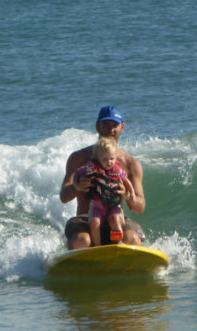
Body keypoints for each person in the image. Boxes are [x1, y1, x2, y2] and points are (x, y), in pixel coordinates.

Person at [60, 105, 146, 249]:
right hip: (86, 219)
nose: (111, 130)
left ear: (122, 128)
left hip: (115, 218)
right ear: (97, 126)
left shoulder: (131, 164)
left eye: (115, 125)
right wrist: (77, 186)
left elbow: (140, 208)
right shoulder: (79, 158)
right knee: (83, 241)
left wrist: (128, 195)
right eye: (106, 124)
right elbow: (64, 197)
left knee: (132, 239)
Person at [76, 135, 136, 246]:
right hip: (97, 206)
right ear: (98, 158)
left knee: (115, 220)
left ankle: (118, 242)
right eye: (104, 159)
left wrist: (131, 194)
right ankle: (98, 246)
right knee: (94, 223)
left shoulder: (118, 170)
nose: (109, 162)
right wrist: (78, 183)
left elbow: (127, 181)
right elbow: (78, 173)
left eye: (112, 159)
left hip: (113, 206)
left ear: (115, 157)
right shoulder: (92, 167)